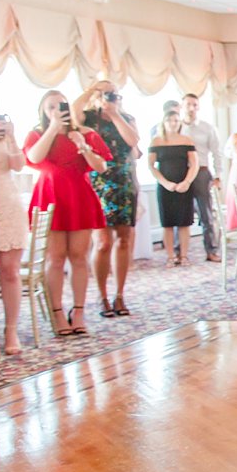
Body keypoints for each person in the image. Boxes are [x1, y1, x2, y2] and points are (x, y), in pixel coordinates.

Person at [23, 89, 111, 337]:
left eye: (60, 105)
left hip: (79, 196)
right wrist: (52, 129)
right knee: (55, 257)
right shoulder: (38, 134)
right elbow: (33, 156)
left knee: (79, 256)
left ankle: (79, 311)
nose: (55, 110)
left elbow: (101, 166)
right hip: (49, 196)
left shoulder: (85, 134)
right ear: (42, 111)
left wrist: (82, 146)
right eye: (49, 107)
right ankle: (57, 312)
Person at [73, 81, 139, 317]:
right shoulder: (89, 118)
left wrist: (116, 114)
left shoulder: (126, 117)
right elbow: (73, 112)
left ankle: (119, 294)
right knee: (102, 241)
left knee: (124, 238)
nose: (111, 97)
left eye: (114, 93)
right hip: (99, 182)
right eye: (107, 93)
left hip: (123, 181)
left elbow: (132, 141)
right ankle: (102, 296)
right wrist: (91, 90)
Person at [0, 97, 28, 354]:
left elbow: (18, 165)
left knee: (10, 271)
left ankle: (11, 329)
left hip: (8, 204)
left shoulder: (5, 135)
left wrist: (12, 137)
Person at [148, 109, 199, 267]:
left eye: (176, 121)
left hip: (184, 185)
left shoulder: (187, 140)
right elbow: (151, 166)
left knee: (184, 222)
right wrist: (165, 183)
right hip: (165, 186)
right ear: (164, 122)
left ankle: (183, 256)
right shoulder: (156, 141)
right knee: (167, 223)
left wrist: (187, 182)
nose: (173, 123)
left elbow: (194, 164)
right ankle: (170, 256)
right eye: (170, 120)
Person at [179, 93, 223, 263]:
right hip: (180, 173)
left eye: (194, 105)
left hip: (202, 173)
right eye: (188, 104)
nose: (191, 108)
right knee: (181, 215)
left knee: (206, 214)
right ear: (182, 106)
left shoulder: (207, 128)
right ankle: (179, 252)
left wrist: (218, 176)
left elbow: (217, 153)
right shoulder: (176, 127)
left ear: (198, 107)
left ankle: (211, 250)